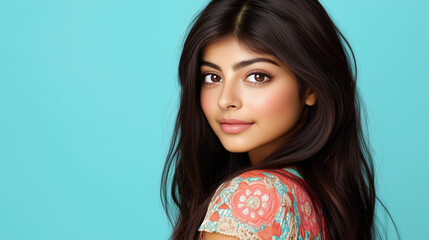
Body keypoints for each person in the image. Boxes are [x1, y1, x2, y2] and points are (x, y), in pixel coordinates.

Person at [160, 0, 398, 239]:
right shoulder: (318, 198)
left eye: (257, 76)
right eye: (212, 77)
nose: (226, 100)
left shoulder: (251, 199)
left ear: (311, 88)